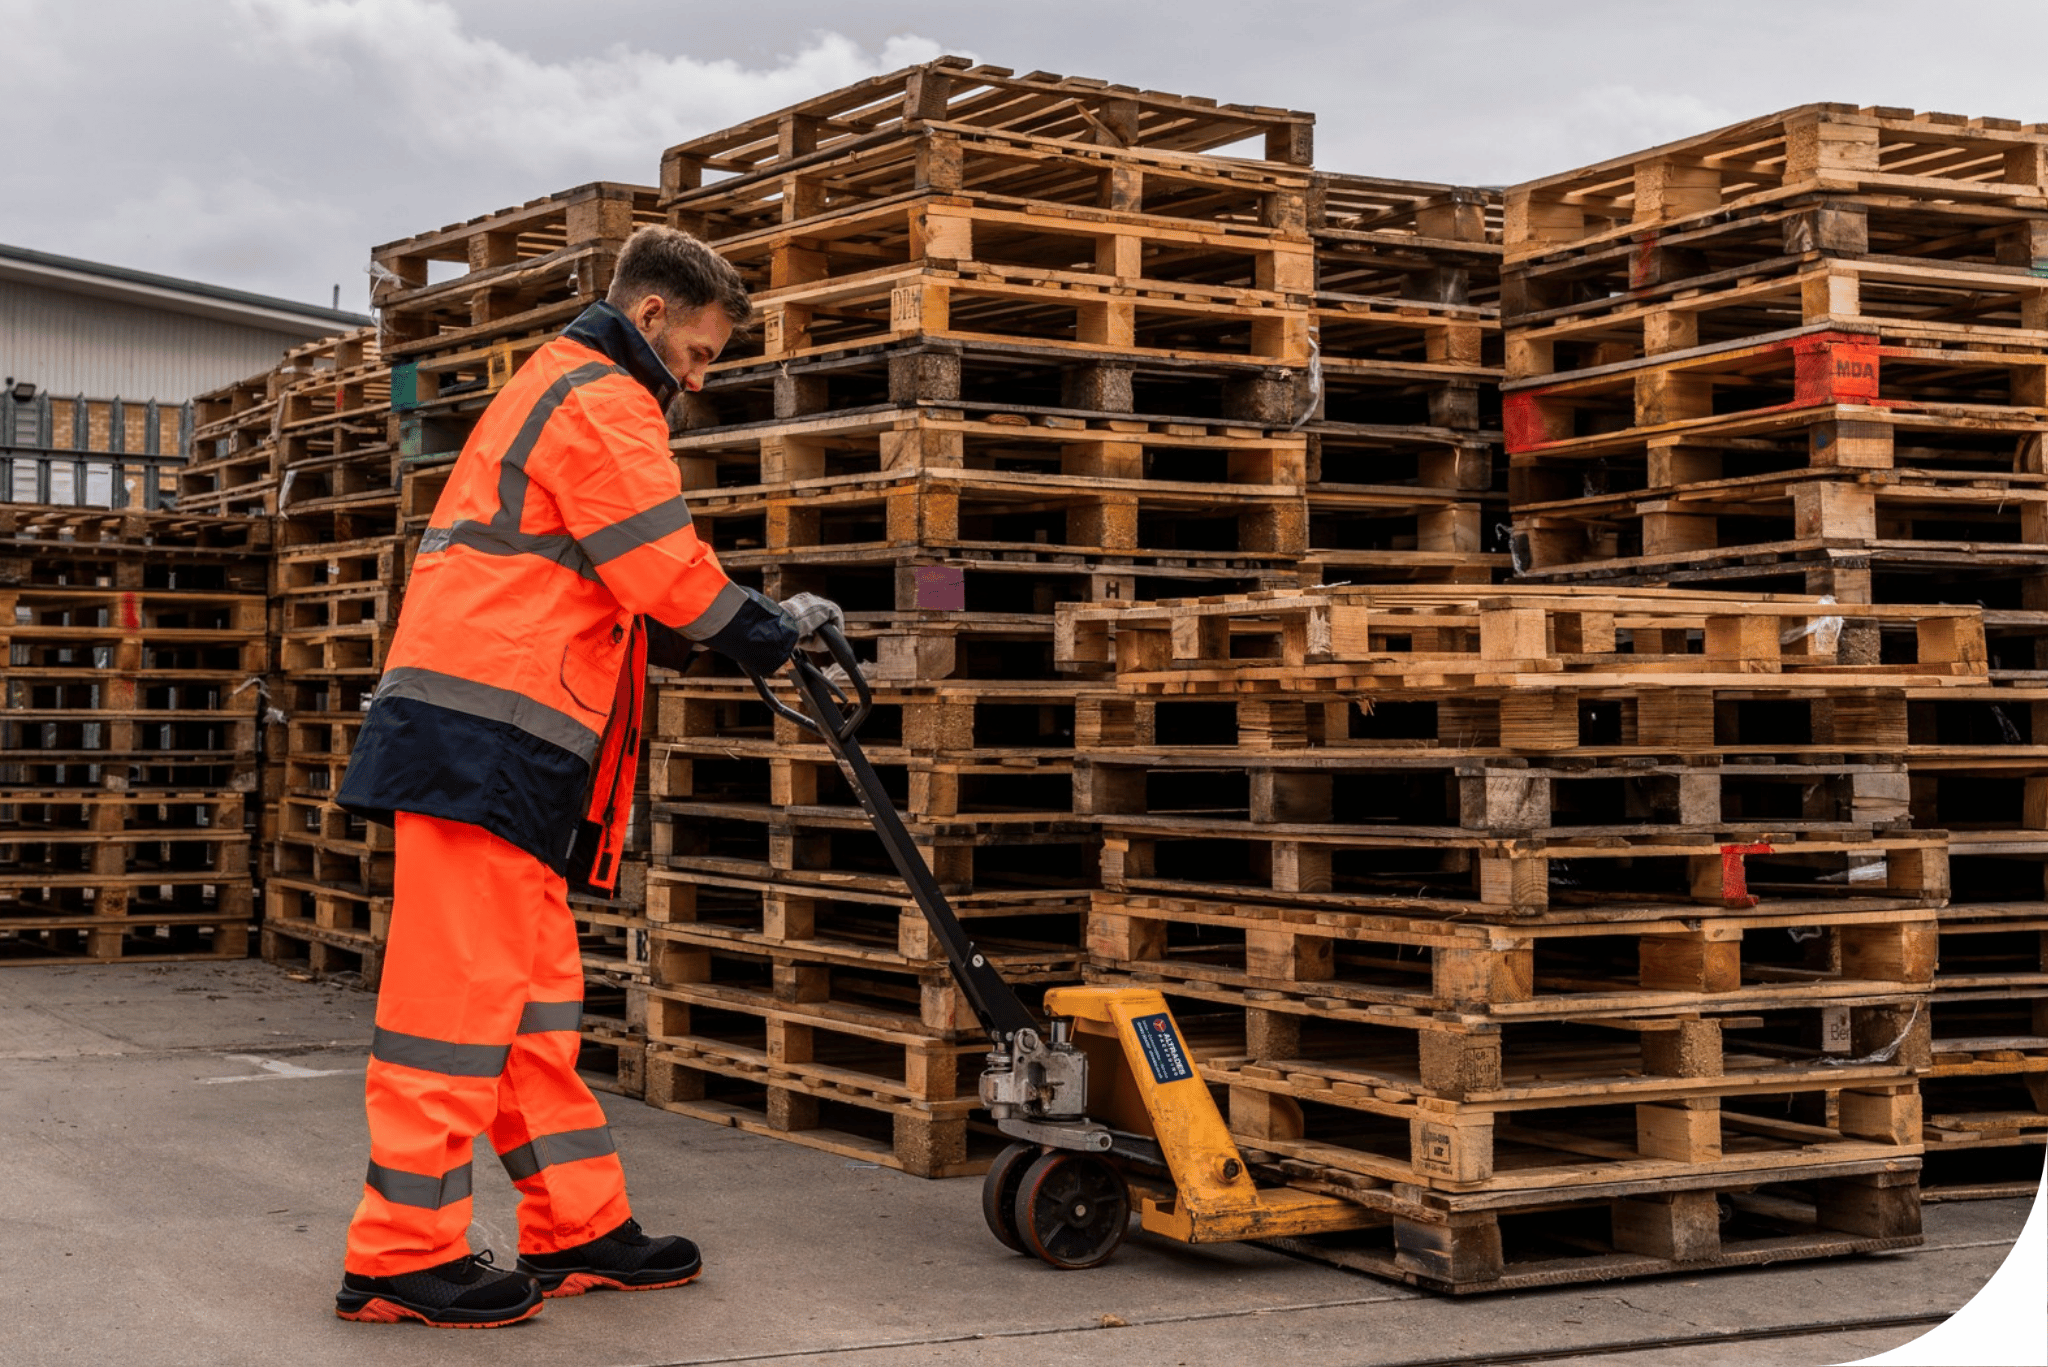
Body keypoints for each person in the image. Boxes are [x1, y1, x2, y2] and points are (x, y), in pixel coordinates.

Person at [330, 225, 809, 1328]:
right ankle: (401, 1253)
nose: (699, 377)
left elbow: (601, 575)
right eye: (697, 352)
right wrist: (765, 628)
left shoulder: (571, 387)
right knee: (449, 1013)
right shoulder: (599, 394)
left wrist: (720, 628)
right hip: (482, 743)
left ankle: (576, 1224)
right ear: (649, 318)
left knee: (532, 1008)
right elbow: (658, 563)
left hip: (513, 748)